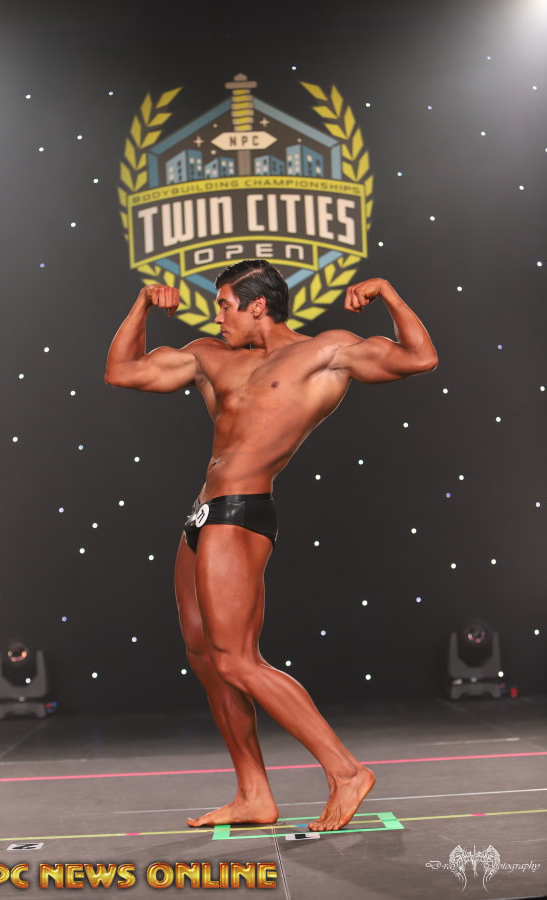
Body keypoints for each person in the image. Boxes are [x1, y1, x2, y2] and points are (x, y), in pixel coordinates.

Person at [104, 259, 438, 832]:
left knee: (237, 659)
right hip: (202, 513)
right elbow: (122, 371)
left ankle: (346, 771)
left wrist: (387, 292)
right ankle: (253, 794)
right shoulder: (211, 356)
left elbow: (420, 357)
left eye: (224, 305)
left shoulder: (323, 352)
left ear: (258, 305)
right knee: (204, 656)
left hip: (241, 512)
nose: (218, 317)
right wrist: (141, 306)